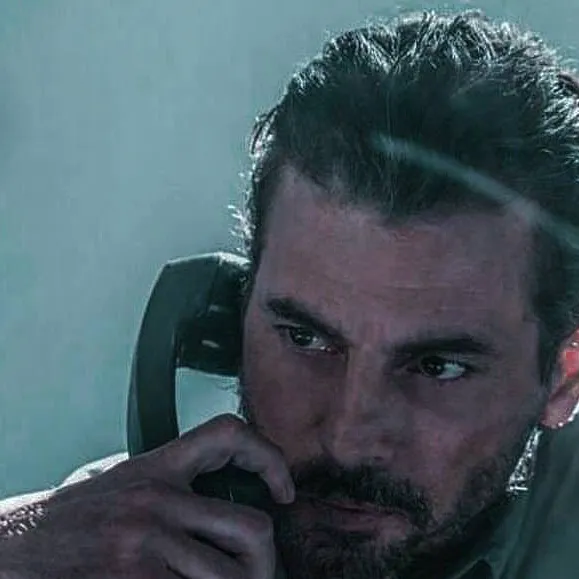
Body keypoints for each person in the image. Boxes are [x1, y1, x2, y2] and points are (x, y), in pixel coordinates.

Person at [3, 7, 579, 578]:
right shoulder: (114, 543)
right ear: (235, 316)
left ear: (563, 378)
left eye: (438, 367)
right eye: (305, 339)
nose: (349, 441)